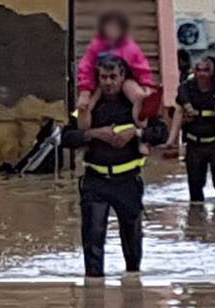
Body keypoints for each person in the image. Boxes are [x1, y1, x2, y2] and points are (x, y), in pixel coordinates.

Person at [62, 55, 170, 278]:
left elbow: (162, 133)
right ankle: (93, 292)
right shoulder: (89, 107)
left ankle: (133, 289)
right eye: (103, 77)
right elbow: (66, 137)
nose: (108, 82)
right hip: (95, 182)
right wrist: (94, 134)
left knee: (132, 246)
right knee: (93, 239)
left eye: (113, 77)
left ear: (123, 77)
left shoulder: (136, 106)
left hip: (128, 182)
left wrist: (135, 133)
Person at [171, 55, 215, 202]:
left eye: (206, 70)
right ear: (194, 72)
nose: (202, 74)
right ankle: (196, 219)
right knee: (195, 192)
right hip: (194, 145)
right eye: (199, 70)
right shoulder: (187, 90)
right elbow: (172, 113)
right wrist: (185, 119)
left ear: (212, 72)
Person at [77, 11, 156, 125]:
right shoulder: (96, 46)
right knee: (87, 104)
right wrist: (85, 91)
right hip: (99, 82)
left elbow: (142, 69)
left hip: (125, 80)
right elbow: (86, 68)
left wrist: (146, 86)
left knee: (137, 94)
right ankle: (84, 123)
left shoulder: (130, 47)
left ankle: (141, 117)